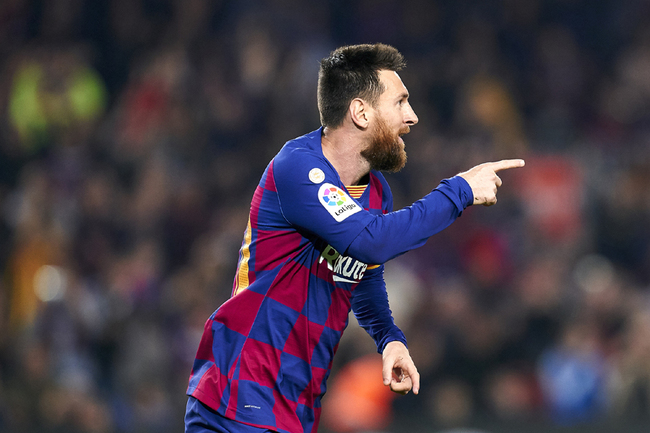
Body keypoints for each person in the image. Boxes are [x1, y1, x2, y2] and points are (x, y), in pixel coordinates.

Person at [184, 43, 524, 433]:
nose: (412, 117)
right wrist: (458, 191)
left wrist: (388, 338)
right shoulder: (298, 167)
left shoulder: (374, 192)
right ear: (361, 112)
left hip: (296, 402)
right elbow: (369, 241)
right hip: (242, 389)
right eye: (400, 102)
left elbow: (361, 271)